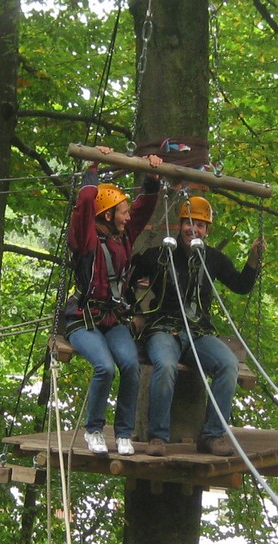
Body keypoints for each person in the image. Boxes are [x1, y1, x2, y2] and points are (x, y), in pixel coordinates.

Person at [130, 195, 265, 456]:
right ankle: (158, 437)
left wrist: (252, 262)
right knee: (166, 365)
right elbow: (127, 278)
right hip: (164, 328)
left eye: (201, 225)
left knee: (228, 365)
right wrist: (135, 312)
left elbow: (241, 286)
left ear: (207, 231)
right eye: (189, 223)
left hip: (198, 333)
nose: (194, 229)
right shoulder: (160, 254)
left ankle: (212, 435)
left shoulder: (213, 259)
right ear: (180, 225)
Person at [64, 149, 162, 456]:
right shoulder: (85, 238)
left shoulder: (124, 237)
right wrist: (92, 169)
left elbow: (143, 209)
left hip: (112, 319)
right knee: (105, 367)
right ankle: (93, 430)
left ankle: (123, 433)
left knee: (130, 365)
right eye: (122, 212)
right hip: (83, 318)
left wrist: (152, 179)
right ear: (107, 215)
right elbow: (83, 207)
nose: (128, 216)